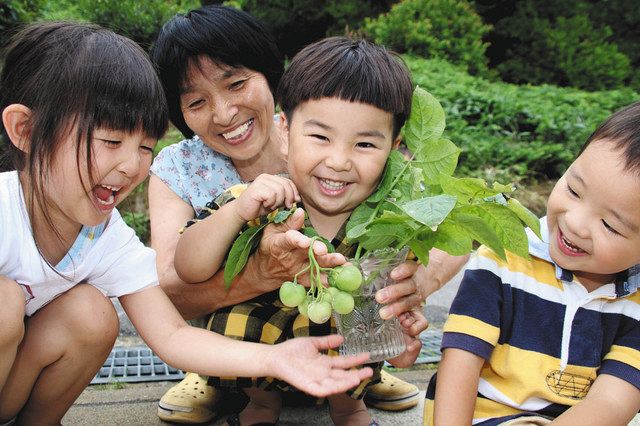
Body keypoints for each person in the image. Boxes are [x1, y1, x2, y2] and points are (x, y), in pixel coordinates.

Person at [0, 22, 375, 425]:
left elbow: (172, 335)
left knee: (91, 313)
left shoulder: (106, 239)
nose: (131, 167)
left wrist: (275, 359)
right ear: (26, 130)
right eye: (110, 142)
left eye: (144, 146)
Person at [149, 4, 467, 423]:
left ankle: (355, 380)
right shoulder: (191, 172)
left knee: (360, 299)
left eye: (238, 83)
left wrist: (415, 285)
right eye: (196, 101)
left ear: (270, 79)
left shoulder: (334, 132)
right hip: (246, 328)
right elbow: (170, 285)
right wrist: (257, 266)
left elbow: (455, 225)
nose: (224, 113)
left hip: (336, 318)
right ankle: (217, 374)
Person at [424, 102, 640, 425]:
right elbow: (461, 357)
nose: (576, 223)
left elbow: (612, 402)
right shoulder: (507, 256)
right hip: (482, 416)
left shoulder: (633, 302)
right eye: (574, 190)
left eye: (609, 225)